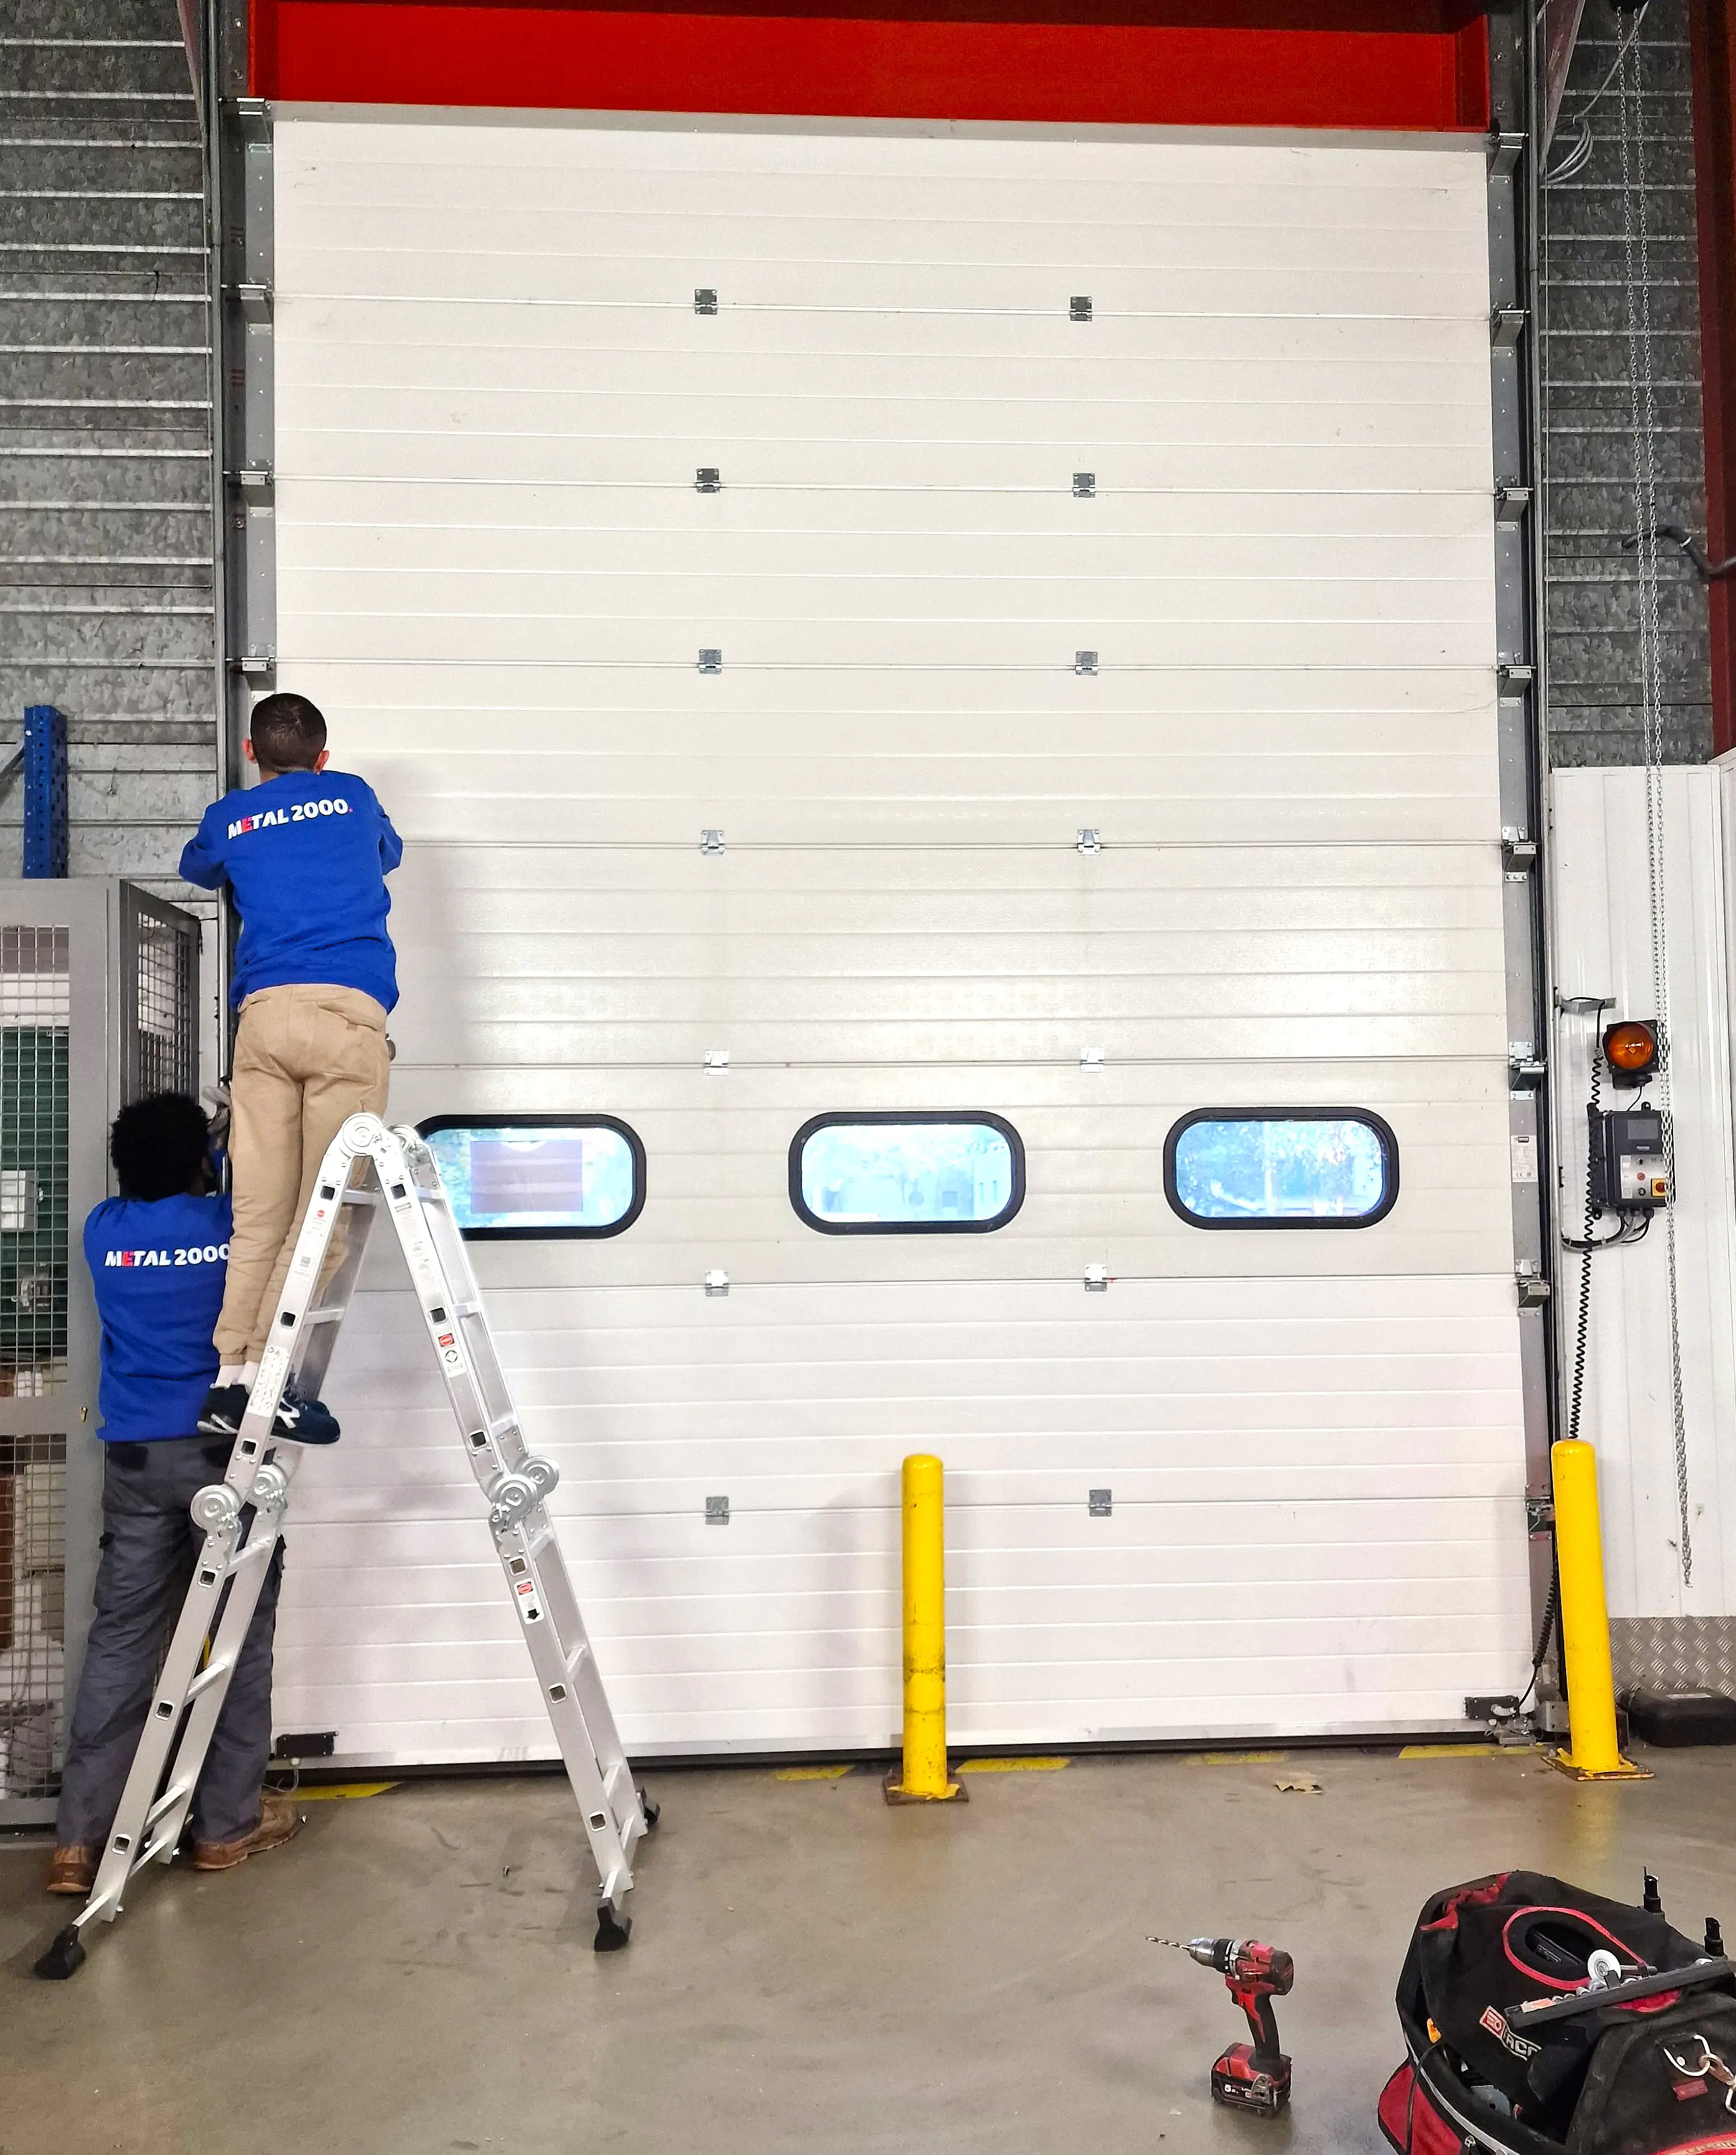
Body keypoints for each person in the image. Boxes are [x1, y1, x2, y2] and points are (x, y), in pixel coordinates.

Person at [47, 1092, 301, 1896]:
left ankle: (78, 1840)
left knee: (122, 1638)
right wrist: (228, 1140)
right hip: (223, 1454)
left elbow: (166, 1182)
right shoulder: (230, 1228)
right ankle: (225, 1825)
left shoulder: (102, 1231)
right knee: (235, 1634)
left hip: (135, 1461)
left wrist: (195, 1150)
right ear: (199, 1161)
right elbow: (252, 1191)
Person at [179, 691, 403, 1441]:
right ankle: (273, 1383)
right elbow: (387, 853)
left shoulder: (229, 816)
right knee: (323, 1214)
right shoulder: (352, 796)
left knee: (260, 1218)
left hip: (266, 1021)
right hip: (345, 1018)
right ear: (322, 757)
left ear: (251, 754)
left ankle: (231, 1381)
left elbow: (198, 868)